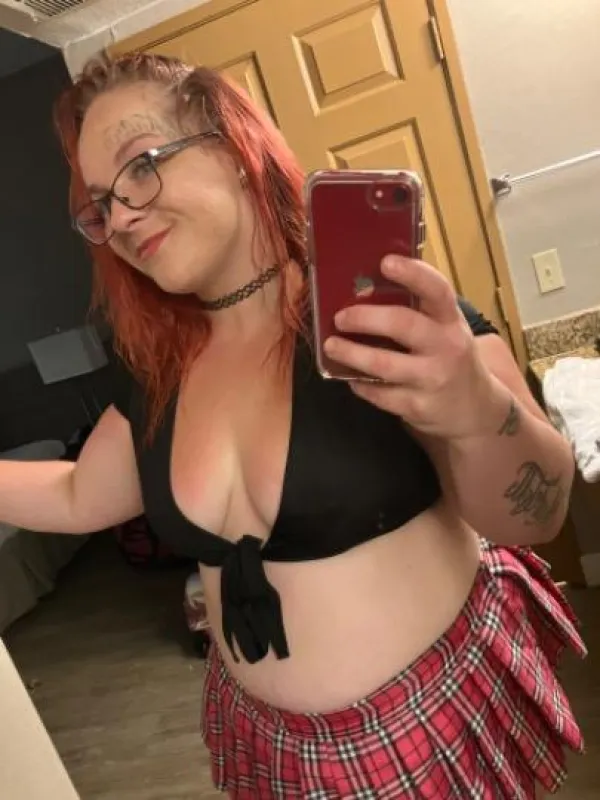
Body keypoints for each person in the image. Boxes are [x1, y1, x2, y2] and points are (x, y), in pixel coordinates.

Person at [9, 50, 583, 798]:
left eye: (140, 165)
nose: (119, 216)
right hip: (268, 744)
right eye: (100, 204)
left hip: (433, 726)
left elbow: (538, 515)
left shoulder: (378, 317)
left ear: (233, 146)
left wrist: (476, 410)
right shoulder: (154, 368)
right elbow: (79, 493)